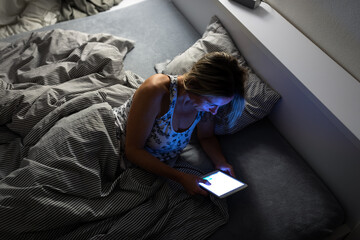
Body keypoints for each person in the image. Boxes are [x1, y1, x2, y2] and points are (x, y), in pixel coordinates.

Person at [113, 52, 248, 196]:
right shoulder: (156, 91)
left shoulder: (204, 106)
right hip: (116, 142)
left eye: (218, 107)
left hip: (156, 160)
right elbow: (133, 151)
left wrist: (221, 162)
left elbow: (206, 137)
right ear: (196, 84)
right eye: (211, 104)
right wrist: (180, 177)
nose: (214, 112)